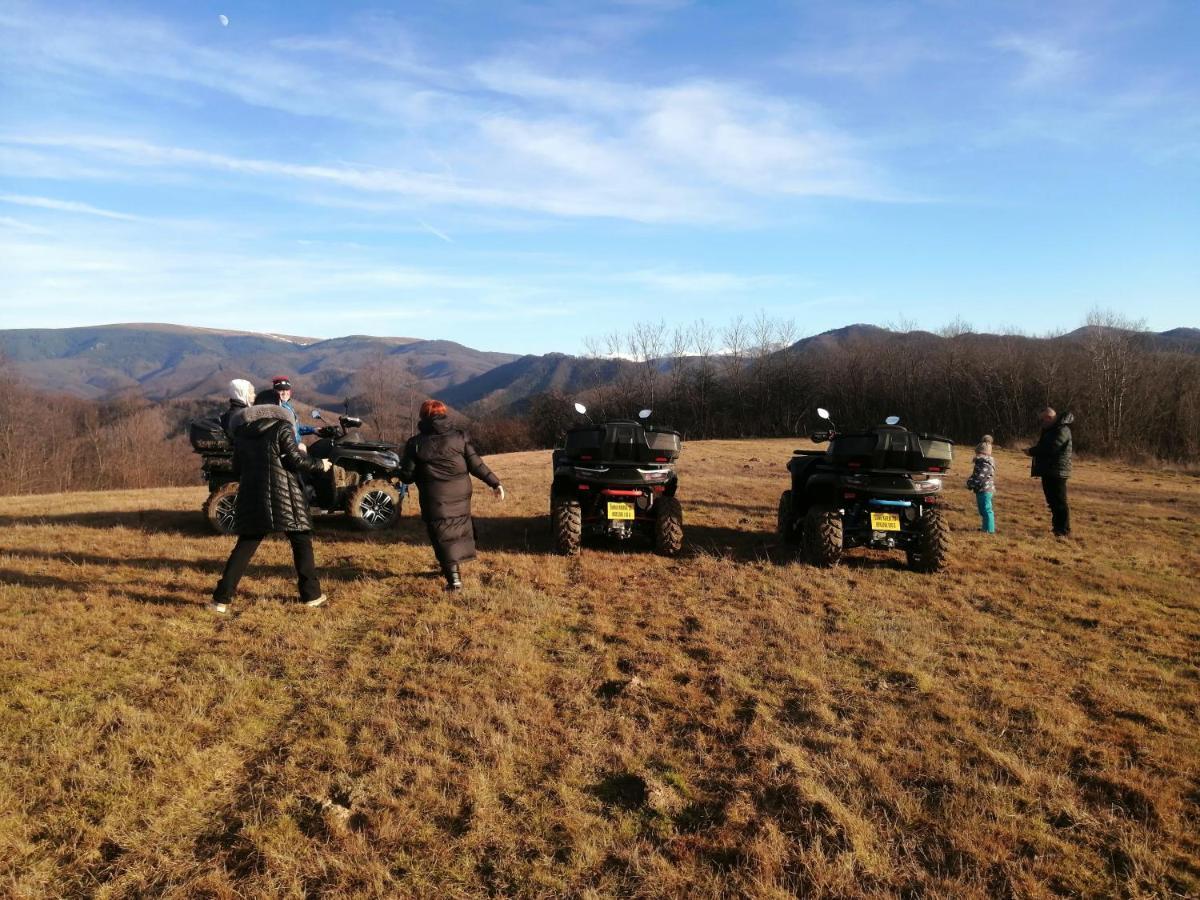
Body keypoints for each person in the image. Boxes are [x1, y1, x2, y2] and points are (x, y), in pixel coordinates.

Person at [210, 389, 335, 613]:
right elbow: (296, 461)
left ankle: (221, 599)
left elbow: (237, 468)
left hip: (253, 495)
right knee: (301, 541)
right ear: (276, 407)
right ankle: (311, 595)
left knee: (245, 545)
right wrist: (320, 465)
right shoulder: (282, 428)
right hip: (285, 494)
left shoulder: (242, 433)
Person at [400, 399, 505, 591]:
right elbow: (476, 464)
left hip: (435, 497)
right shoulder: (459, 437)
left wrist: (396, 473)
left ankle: (454, 581)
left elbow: (407, 476)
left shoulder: (415, 444)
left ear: (423, 417)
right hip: (461, 493)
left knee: (442, 533)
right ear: (443, 414)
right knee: (456, 528)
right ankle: (450, 567)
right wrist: (495, 482)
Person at [1026, 407, 1074, 538]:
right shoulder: (1052, 430)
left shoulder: (1062, 430)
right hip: (1049, 470)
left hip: (1058, 471)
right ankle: (1057, 528)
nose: (1041, 423)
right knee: (1052, 501)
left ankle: (1063, 530)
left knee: (1059, 502)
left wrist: (1032, 451)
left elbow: (1051, 448)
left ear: (1048, 418)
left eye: (1042, 420)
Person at [272, 376, 318, 449]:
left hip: (293, 445)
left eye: (287, 390)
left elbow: (295, 428)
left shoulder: (287, 405)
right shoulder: (276, 408)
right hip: (288, 449)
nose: (285, 392)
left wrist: (314, 430)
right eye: (281, 390)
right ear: (275, 392)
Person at [966, 435, 997, 533]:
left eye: (978, 453)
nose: (976, 455)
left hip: (985, 490)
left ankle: (989, 530)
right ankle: (985, 528)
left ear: (982, 453)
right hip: (981, 490)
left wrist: (970, 483)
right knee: (983, 510)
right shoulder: (981, 463)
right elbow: (976, 475)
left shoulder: (985, 464)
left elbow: (979, 477)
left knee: (986, 510)